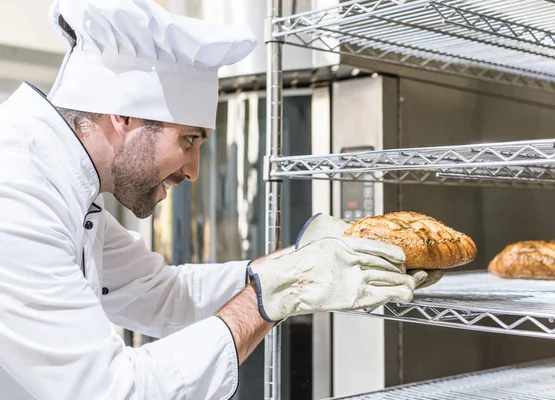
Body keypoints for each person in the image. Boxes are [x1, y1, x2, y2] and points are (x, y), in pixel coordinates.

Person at [0, 0, 440, 399]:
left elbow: (159, 293)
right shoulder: (16, 192)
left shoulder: (64, 187)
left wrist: (301, 262)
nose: (192, 170)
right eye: (188, 139)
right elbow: (114, 392)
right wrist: (272, 297)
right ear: (123, 114)